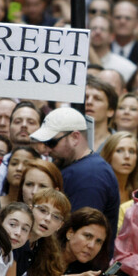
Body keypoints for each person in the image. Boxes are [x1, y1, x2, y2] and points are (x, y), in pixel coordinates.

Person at [30, 108, 120, 252]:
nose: (46, 149)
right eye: (44, 142)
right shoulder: (78, 167)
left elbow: (80, 236)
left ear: (75, 137)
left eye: (52, 142)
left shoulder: (90, 175)